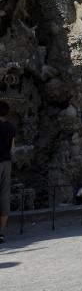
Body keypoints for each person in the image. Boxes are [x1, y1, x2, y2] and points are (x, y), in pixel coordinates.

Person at [0, 101, 16, 244]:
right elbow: (12, 148)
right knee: (4, 196)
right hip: (7, 162)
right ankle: (1, 233)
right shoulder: (11, 127)